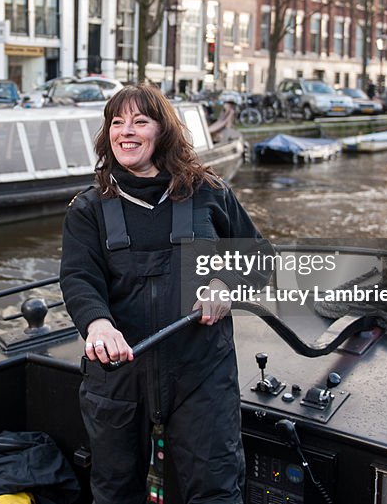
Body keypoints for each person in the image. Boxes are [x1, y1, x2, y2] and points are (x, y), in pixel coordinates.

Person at [59, 84, 265, 504]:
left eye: (139, 121)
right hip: (118, 377)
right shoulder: (88, 208)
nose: (125, 131)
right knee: (115, 492)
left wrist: (224, 282)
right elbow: (79, 278)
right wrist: (97, 323)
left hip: (201, 372)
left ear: (163, 131)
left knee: (216, 490)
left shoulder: (210, 193)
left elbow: (258, 258)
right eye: (117, 123)